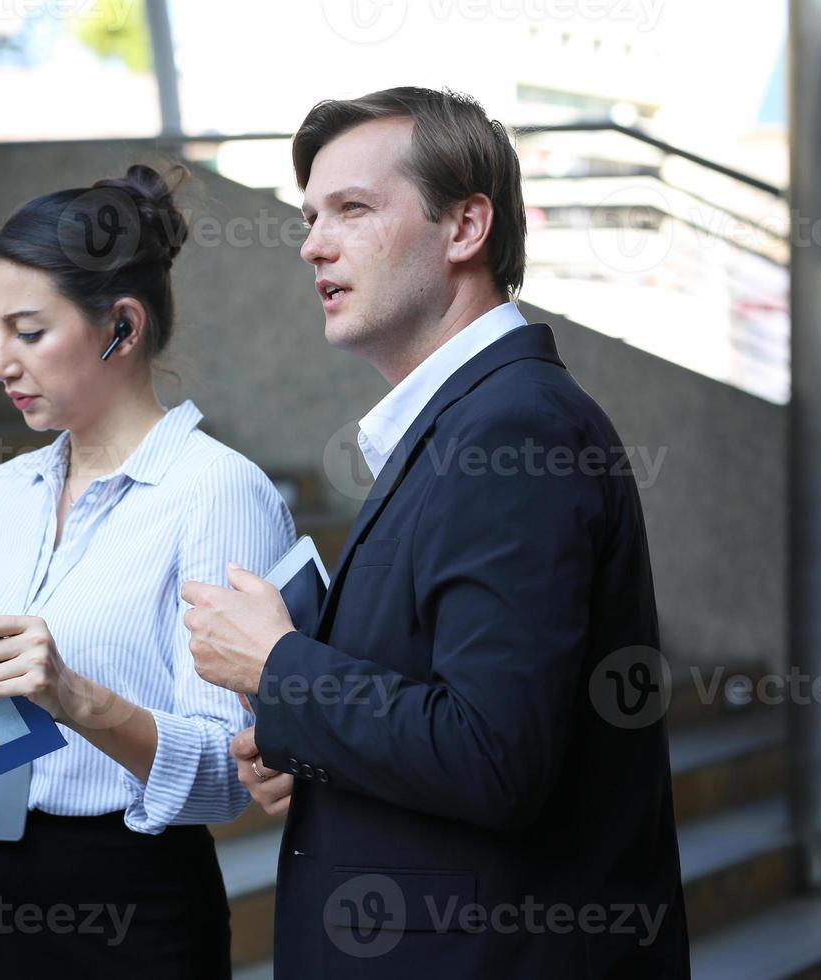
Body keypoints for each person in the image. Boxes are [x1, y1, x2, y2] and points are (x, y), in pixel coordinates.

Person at [180, 87, 690, 977]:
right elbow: (450, 712)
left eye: (353, 209)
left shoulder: (510, 432)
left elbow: (492, 756)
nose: (312, 244)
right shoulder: (471, 423)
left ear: (465, 229)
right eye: (309, 216)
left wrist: (277, 667)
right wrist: (304, 739)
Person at [0, 163, 296, 979]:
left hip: (128, 897)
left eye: (27, 332)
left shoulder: (218, 492)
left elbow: (227, 777)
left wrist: (73, 696)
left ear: (121, 329)